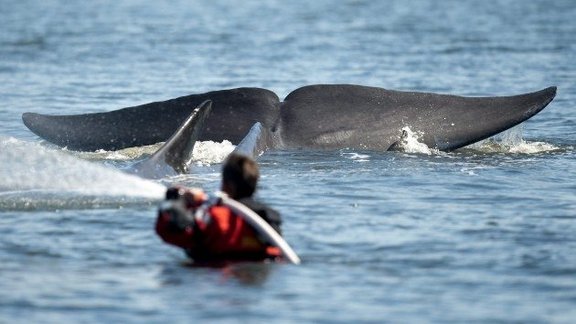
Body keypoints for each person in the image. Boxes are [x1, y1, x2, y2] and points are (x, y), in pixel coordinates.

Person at [155, 153, 283, 262]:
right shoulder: (269, 219)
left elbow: (170, 229)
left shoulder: (214, 216)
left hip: (219, 279)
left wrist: (176, 198)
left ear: (227, 186)